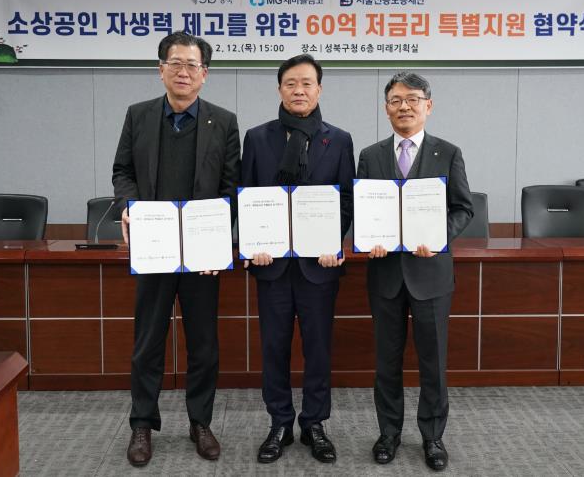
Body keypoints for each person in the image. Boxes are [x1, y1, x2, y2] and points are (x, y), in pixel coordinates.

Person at [112, 31, 241, 467]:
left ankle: (200, 422)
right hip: (155, 247)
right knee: (148, 341)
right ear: (161, 69)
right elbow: (123, 171)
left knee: (203, 343)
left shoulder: (224, 122)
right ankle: (142, 424)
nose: (183, 72)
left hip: (202, 254)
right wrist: (129, 205)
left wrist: (218, 240)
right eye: (175, 63)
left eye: (192, 65)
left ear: (205, 74)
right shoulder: (139, 116)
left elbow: (231, 187)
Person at [241, 54, 355, 464]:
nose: (299, 90)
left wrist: (333, 240)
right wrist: (250, 243)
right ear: (279, 89)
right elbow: (246, 194)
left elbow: (345, 198)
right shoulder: (257, 137)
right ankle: (279, 423)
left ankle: (314, 423)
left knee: (318, 348)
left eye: (307, 83)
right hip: (271, 265)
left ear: (319, 90)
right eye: (291, 83)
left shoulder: (338, 139)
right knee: (274, 347)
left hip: (318, 267)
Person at [356, 72, 473, 472]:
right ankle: (388, 433)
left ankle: (432, 436)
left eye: (412, 99)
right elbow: (364, 208)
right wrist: (368, 237)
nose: (404, 106)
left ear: (428, 105)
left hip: (431, 273)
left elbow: (463, 208)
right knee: (386, 361)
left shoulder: (448, 152)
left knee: (432, 362)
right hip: (385, 273)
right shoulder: (370, 155)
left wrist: (439, 237)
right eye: (396, 100)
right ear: (386, 107)